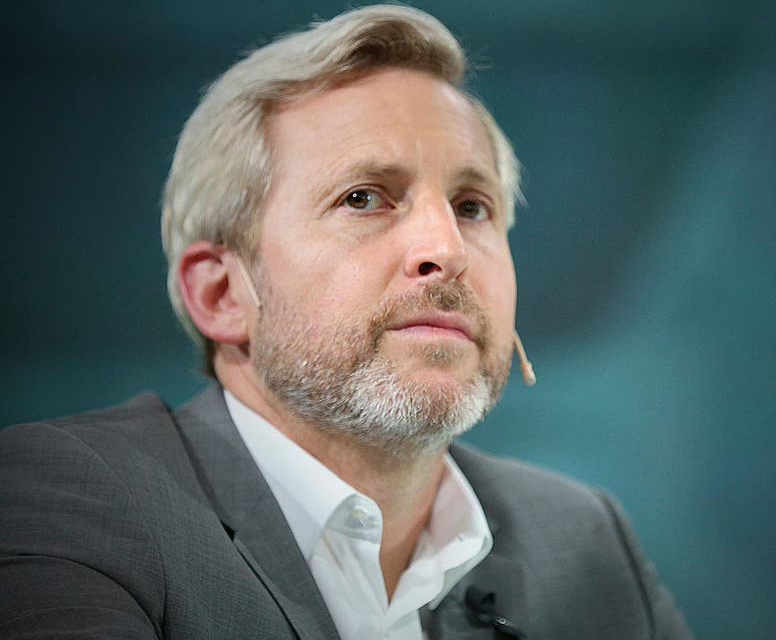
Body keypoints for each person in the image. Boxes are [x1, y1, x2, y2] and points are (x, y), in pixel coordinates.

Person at [0, 5, 693, 639]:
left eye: (472, 207)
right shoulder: (66, 497)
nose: (447, 249)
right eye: (364, 198)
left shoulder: (585, 540)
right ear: (223, 294)